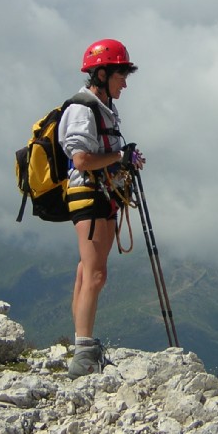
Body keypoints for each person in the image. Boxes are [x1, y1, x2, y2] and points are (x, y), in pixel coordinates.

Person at [58, 38, 144, 379]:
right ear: (103, 73)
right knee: (95, 274)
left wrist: (124, 163)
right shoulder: (83, 108)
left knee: (87, 271)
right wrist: (119, 158)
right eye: (121, 74)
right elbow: (81, 159)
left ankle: (84, 347)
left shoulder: (102, 106)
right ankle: (84, 354)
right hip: (89, 195)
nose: (125, 82)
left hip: (101, 195)